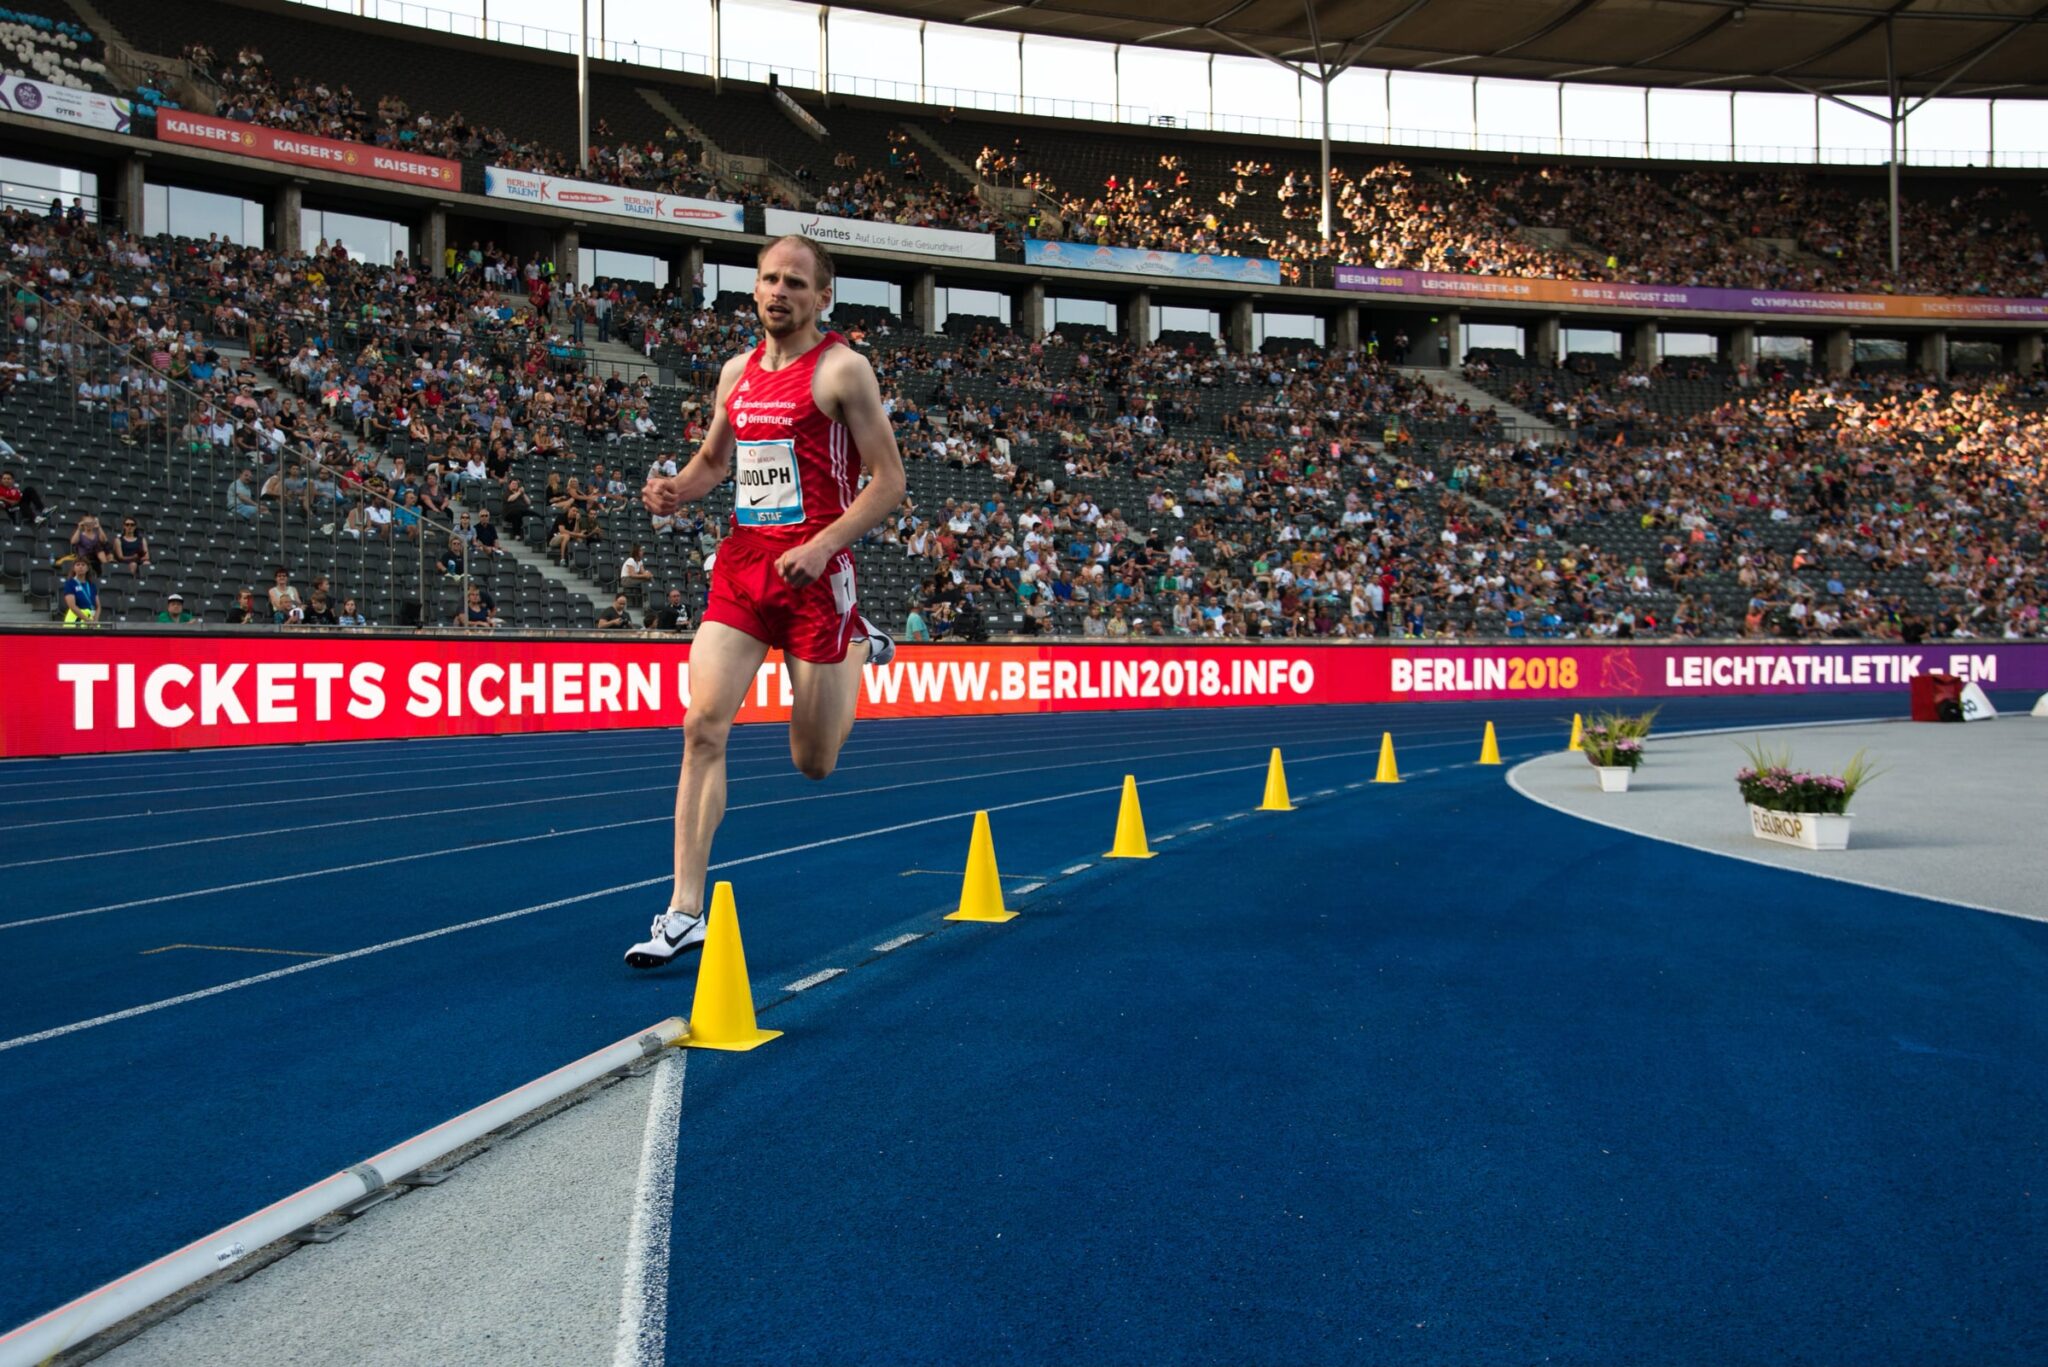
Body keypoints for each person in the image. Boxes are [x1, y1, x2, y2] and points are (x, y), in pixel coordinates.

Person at [625, 235, 906, 969]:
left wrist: (821, 547)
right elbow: (718, 461)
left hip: (815, 572)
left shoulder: (843, 370)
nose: (779, 291)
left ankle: (854, 641)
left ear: (822, 298)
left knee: (812, 762)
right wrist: (675, 489)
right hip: (746, 564)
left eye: (795, 282)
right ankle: (686, 910)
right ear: (754, 288)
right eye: (769, 279)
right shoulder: (736, 374)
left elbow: (889, 482)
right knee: (701, 727)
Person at [60, 558, 97, 625]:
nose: (80, 566)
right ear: (74, 568)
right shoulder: (70, 583)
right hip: (75, 621)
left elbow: (98, 606)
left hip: (91, 620)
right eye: (78, 565)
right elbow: (72, 606)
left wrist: (95, 620)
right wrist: (87, 620)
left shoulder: (91, 585)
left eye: (83, 565)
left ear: (87, 568)